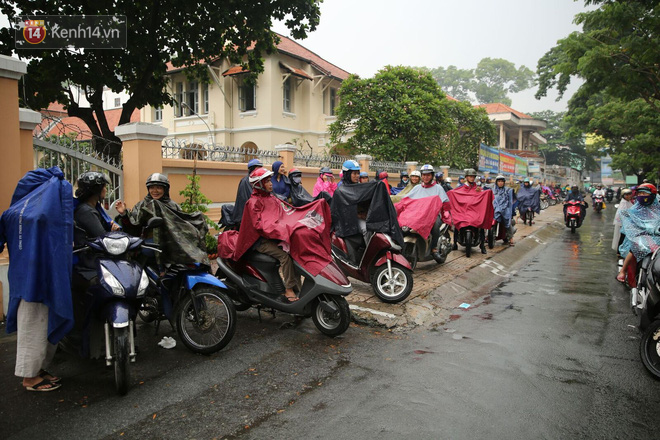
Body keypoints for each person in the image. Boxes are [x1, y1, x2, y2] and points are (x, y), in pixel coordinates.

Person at [0, 167, 74, 392]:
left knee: (39, 324)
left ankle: (38, 370)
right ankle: (29, 378)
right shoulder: (43, 212)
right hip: (43, 277)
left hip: (26, 277)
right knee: (34, 325)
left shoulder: (13, 212)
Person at [617, 184, 660, 284]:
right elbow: (628, 226)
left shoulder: (658, 208)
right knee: (634, 249)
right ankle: (623, 271)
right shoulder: (633, 210)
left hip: (657, 236)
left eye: (645, 193)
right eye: (640, 193)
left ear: (653, 195)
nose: (642, 195)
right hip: (640, 236)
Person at [402, 164, 450, 254]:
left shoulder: (438, 188)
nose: (426, 177)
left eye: (428, 175)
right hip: (419, 215)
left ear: (432, 176)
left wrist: (445, 211)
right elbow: (407, 200)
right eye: (424, 175)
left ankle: (434, 247)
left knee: (435, 227)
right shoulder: (417, 188)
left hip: (434, 215)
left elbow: (445, 202)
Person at [454, 168, 487, 254]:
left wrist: (481, 192)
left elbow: (484, 196)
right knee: (457, 222)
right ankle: (454, 243)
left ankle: (482, 245)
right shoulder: (460, 188)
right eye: (470, 176)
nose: (472, 178)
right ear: (466, 177)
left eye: (473, 177)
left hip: (474, 212)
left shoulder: (478, 188)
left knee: (481, 225)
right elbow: (454, 194)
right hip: (463, 212)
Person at [226, 159, 263, 228]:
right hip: (248, 214)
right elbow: (250, 197)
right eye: (259, 167)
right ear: (253, 169)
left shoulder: (258, 180)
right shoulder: (246, 181)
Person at [492, 175, 516, 246]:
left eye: (502, 181)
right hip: (495, 210)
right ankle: (489, 236)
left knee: (507, 223)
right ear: (496, 182)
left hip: (505, 210)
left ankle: (511, 237)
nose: (500, 183)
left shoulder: (508, 190)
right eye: (499, 181)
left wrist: (509, 211)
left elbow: (510, 202)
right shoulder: (493, 190)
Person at [612, 188, 634, 256]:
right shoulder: (623, 203)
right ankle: (619, 252)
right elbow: (622, 214)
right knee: (622, 237)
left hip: (629, 223)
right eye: (626, 195)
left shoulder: (629, 202)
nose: (628, 196)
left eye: (629, 194)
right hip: (624, 223)